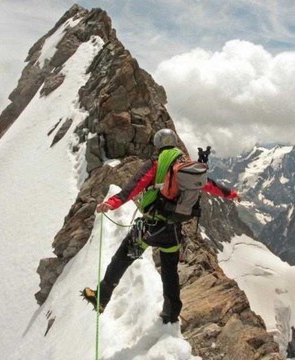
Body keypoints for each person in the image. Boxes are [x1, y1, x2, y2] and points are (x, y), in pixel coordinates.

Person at [83, 128, 240, 324]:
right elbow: (209, 185)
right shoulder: (185, 166)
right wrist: (232, 194)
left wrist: (112, 203)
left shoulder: (156, 164)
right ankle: (171, 315)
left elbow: (133, 187)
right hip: (173, 231)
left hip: (149, 229)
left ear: (157, 145)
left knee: (121, 258)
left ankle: (101, 298)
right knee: (170, 273)